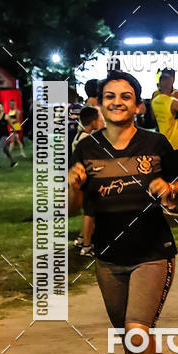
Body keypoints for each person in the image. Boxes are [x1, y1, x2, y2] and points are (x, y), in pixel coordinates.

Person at [68, 71, 178, 354]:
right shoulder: (86, 148)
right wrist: (72, 185)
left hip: (152, 253)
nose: (117, 101)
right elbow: (76, 209)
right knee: (127, 336)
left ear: (138, 104)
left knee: (138, 330)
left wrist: (169, 189)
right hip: (108, 257)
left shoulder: (156, 142)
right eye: (109, 96)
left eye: (125, 96)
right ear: (99, 103)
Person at [151, 68, 178, 183]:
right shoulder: (176, 96)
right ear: (172, 79)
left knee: (164, 172)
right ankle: (177, 195)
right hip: (176, 140)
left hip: (161, 138)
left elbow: (153, 117)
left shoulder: (155, 96)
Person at [72, 106, 106, 258]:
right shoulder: (87, 139)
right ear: (93, 121)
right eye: (100, 118)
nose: (102, 121)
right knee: (90, 213)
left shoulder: (82, 135)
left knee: (89, 210)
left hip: (83, 179)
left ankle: (81, 238)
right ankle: (86, 246)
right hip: (88, 180)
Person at [0, 102, 17, 168]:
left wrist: (14, 132)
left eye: (0, 107)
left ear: (3, 108)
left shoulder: (6, 116)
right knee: (6, 150)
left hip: (5, 135)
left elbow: (11, 125)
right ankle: (13, 162)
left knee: (0, 148)